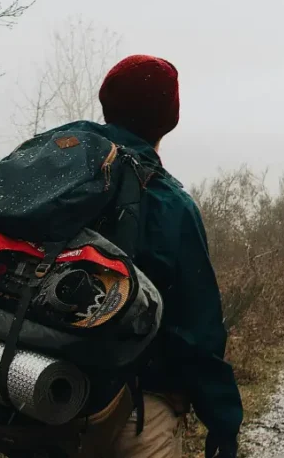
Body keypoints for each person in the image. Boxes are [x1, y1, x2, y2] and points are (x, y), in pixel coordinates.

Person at [93, 55, 243, 458]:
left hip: (42, 403)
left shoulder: (62, 185)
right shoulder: (167, 202)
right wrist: (223, 422)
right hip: (136, 410)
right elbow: (197, 329)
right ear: (168, 119)